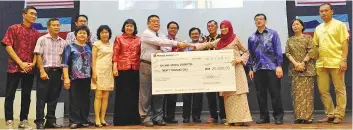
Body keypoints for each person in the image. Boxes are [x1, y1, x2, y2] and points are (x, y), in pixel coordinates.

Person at [193, 20, 252, 126]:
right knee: (228, 95)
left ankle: (241, 119)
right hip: (225, 72)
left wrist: (240, 60)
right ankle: (232, 119)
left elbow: (246, 52)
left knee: (239, 94)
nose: (224, 29)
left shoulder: (236, 38)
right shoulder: (219, 41)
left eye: (226, 27)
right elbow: (206, 45)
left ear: (230, 27)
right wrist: (190, 45)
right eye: (222, 27)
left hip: (237, 70)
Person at [139, 14, 191, 127]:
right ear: (148, 23)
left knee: (159, 92)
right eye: (153, 21)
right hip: (146, 65)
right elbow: (160, 43)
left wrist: (164, 51)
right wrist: (177, 43)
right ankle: (145, 117)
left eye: (158, 21)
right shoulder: (146, 33)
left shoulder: (160, 34)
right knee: (145, 93)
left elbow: (166, 46)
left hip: (159, 66)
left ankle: (157, 117)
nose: (156, 23)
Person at [2, 6, 41, 129]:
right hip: (14, 67)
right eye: (31, 14)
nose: (34, 16)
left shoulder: (36, 33)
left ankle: (23, 120)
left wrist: (33, 63)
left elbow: (37, 51)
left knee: (26, 95)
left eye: (35, 14)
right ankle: (9, 121)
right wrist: (20, 63)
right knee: (10, 95)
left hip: (29, 68)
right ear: (24, 15)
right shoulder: (13, 28)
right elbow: (8, 45)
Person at [314, 3, 349, 124]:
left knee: (339, 89)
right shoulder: (318, 28)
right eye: (321, 11)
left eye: (326, 10)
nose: (323, 13)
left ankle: (339, 114)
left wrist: (343, 60)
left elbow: (344, 43)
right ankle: (330, 113)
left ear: (332, 11)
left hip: (336, 62)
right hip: (321, 63)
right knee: (322, 90)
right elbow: (316, 46)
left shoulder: (340, 25)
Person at [247, 13, 284, 125]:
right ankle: (264, 117)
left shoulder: (273, 34)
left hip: (272, 67)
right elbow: (250, 54)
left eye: (261, 19)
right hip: (258, 68)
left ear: (265, 21)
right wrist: (250, 68)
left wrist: (279, 65)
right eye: (256, 19)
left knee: (275, 93)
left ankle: (278, 116)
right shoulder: (252, 37)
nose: (258, 21)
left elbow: (278, 50)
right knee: (260, 94)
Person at [33, 18, 66, 129]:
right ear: (48, 26)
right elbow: (38, 55)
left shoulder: (63, 42)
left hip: (58, 72)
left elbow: (64, 59)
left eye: (58, 25)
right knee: (41, 98)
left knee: (54, 98)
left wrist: (63, 73)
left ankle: (51, 121)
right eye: (54, 25)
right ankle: (39, 121)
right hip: (45, 71)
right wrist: (42, 71)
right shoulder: (42, 39)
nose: (56, 27)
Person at [285, 19, 317, 124]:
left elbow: (312, 51)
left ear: (302, 26)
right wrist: (296, 64)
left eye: (297, 24)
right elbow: (288, 53)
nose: (295, 26)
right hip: (295, 70)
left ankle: (308, 117)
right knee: (296, 94)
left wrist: (303, 63)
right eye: (293, 24)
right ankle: (298, 117)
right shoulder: (289, 40)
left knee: (307, 94)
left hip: (307, 70)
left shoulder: (308, 38)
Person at [62, 26, 93, 129]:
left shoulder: (90, 47)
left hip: (87, 77)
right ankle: (74, 121)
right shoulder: (70, 46)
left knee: (85, 99)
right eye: (80, 33)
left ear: (87, 36)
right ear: (75, 35)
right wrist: (66, 78)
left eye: (84, 33)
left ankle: (84, 119)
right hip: (74, 77)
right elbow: (65, 64)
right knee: (74, 99)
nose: (82, 35)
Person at [113, 19, 142, 126]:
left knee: (134, 94)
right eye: (127, 26)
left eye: (131, 26)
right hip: (122, 69)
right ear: (124, 27)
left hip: (135, 69)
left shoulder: (139, 39)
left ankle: (133, 119)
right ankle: (120, 120)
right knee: (122, 94)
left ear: (134, 28)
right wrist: (114, 67)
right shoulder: (119, 38)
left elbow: (140, 54)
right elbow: (115, 53)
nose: (129, 28)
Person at [91, 25, 114, 127]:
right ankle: (96, 118)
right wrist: (94, 73)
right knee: (98, 95)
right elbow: (93, 60)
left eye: (106, 32)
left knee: (106, 97)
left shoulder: (112, 44)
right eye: (102, 32)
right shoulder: (96, 44)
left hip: (108, 72)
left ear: (109, 33)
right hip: (99, 70)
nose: (104, 34)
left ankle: (103, 118)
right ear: (99, 34)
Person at [204, 20, 226, 124]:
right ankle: (213, 116)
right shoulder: (204, 39)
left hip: (220, 70)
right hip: (208, 71)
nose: (210, 28)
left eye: (212, 26)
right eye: (208, 26)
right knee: (210, 95)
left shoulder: (222, 38)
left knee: (221, 94)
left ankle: (223, 116)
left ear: (217, 27)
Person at [182, 27, 204, 123]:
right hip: (187, 74)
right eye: (193, 34)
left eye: (196, 33)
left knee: (198, 97)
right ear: (190, 35)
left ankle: (196, 116)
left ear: (199, 34)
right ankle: (186, 116)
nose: (195, 35)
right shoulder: (186, 46)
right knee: (186, 97)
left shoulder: (203, 45)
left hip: (199, 73)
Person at [161, 21, 180, 124]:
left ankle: (171, 116)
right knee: (163, 95)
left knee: (173, 95)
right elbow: (164, 52)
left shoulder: (179, 41)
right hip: (164, 70)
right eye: (171, 28)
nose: (173, 30)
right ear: (168, 29)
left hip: (175, 72)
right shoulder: (163, 40)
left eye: (175, 28)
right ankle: (162, 116)